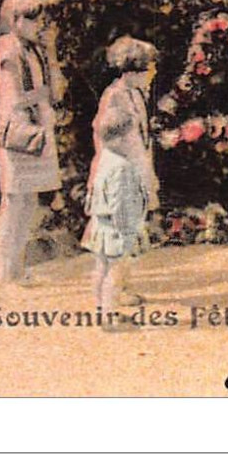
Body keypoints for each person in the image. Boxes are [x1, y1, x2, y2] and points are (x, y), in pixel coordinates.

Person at [0, 0, 63, 289]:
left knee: (29, 202)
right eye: (31, 19)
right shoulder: (7, 53)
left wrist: (53, 55)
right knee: (13, 203)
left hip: (38, 132)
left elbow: (57, 91)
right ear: (15, 21)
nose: (38, 24)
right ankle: (3, 274)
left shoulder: (36, 53)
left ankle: (16, 270)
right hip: (19, 134)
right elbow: (13, 97)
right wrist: (42, 96)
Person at [82, 107, 149, 320]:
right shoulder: (122, 167)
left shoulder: (105, 159)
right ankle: (109, 313)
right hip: (117, 229)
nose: (133, 142)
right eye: (131, 137)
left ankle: (101, 308)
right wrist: (127, 232)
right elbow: (119, 203)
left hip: (101, 225)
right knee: (116, 273)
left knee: (101, 269)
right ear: (120, 139)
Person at [94, 36, 159, 226]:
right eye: (147, 71)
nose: (150, 76)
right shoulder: (115, 94)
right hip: (122, 159)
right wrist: (124, 122)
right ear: (132, 71)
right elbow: (104, 130)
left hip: (138, 156)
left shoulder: (137, 93)